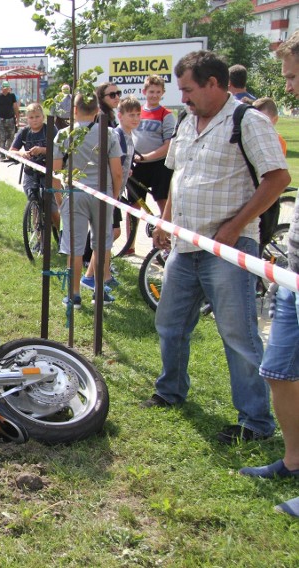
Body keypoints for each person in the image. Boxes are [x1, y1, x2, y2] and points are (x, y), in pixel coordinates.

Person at [143, 51, 290, 446]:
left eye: (189, 90)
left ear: (213, 83)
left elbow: (277, 178)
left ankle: (256, 423)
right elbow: (178, 176)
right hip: (184, 246)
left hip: (229, 249)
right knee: (170, 325)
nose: (183, 99)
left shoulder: (248, 121)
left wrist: (235, 227)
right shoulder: (188, 123)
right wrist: (166, 221)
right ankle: (170, 391)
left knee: (238, 336)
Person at [237, 32, 299, 518]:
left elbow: (277, 178)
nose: (290, 88)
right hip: (293, 273)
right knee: (279, 370)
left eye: (294, 76)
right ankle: (294, 462)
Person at [52, 91, 123, 309]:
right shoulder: (109, 134)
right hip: (102, 194)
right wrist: (115, 196)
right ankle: (99, 291)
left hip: (75, 194)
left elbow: (55, 172)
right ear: (97, 111)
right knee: (102, 244)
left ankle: (74, 295)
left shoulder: (64, 134)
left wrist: (60, 200)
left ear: (74, 110)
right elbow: (117, 171)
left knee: (75, 246)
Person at [82, 95, 141, 291]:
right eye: (130, 115)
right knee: (110, 233)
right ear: (120, 116)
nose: (135, 118)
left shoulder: (130, 136)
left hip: (114, 190)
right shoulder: (117, 136)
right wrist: (115, 194)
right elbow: (112, 168)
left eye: (138, 115)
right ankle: (94, 275)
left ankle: (99, 275)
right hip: (108, 192)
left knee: (109, 234)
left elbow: (121, 166)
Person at [131, 74, 175, 219]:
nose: (154, 95)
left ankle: (164, 238)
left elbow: (168, 145)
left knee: (163, 202)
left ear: (163, 93)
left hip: (159, 165)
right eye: (151, 92)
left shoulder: (166, 114)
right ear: (144, 92)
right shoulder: (136, 112)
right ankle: (131, 242)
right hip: (137, 165)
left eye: (158, 92)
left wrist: (146, 157)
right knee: (134, 207)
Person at [11, 102, 59, 229]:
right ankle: (38, 238)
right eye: (31, 118)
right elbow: (12, 151)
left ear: (43, 117)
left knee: (52, 206)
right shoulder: (24, 132)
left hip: (48, 171)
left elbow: (60, 149)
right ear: (27, 119)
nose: (35, 120)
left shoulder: (50, 129)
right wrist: (21, 153)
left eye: (37, 116)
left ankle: (61, 235)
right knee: (34, 204)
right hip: (30, 172)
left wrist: (43, 150)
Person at [0, 80, 19, 161]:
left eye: (7, 88)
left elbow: (15, 107)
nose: (5, 90)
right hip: (1, 120)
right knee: (2, 137)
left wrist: (17, 119)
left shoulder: (12, 96)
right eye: (4, 88)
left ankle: (7, 152)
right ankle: (2, 155)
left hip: (10, 119)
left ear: (9, 88)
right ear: (2, 88)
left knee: (11, 136)